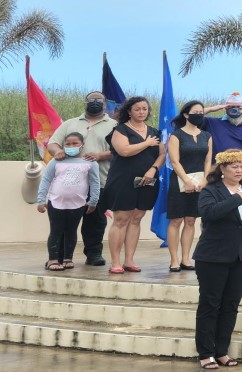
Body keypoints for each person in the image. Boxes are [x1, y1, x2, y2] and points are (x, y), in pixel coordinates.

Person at [193, 149, 242, 370]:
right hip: (213, 256)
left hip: (241, 256)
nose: (239, 170)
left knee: (231, 305)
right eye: (234, 166)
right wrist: (235, 199)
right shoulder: (211, 191)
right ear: (222, 169)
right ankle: (205, 352)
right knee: (210, 304)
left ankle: (222, 350)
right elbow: (209, 213)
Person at [46, 91, 115, 266]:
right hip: (69, 184)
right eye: (91, 100)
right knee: (65, 222)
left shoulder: (114, 125)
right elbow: (52, 143)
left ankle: (93, 254)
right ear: (84, 104)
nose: (95, 103)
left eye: (99, 100)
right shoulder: (70, 124)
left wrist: (100, 155)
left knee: (96, 221)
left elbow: (120, 150)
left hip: (99, 179)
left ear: (105, 104)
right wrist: (58, 152)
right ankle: (60, 256)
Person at [101, 96, 166, 274]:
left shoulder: (154, 132)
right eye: (137, 109)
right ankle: (115, 262)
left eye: (144, 109)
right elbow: (124, 151)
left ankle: (129, 260)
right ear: (129, 111)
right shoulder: (120, 130)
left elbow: (161, 155)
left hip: (147, 180)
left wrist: (153, 169)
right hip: (123, 180)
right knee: (121, 220)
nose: (141, 112)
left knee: (136, 219)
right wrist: (146, 143)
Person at [36, 131, 99, 271]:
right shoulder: (56, 161)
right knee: (56, 231)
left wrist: (93, 201)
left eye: (75, 143)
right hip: (55, 202)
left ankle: (67, 258)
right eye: (68, 144)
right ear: (63, 145)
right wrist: (41, 200)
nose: (71, 146)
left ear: (82, 145)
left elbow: (95, 183)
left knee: (71, 231)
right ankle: (53, 259)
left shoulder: (90, 162)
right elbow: (46, 180)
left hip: (78, 204)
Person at [165, 101, 212, 272]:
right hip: (180, 181)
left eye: (201, 112)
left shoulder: (207, 136)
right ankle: (174, 259)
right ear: (186, 114)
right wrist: (186, 180)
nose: (199, 115)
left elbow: (208, 160)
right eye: (195, 112)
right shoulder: (176, 136)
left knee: (191, 220)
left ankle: (186, 258)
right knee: (176, 220)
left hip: (200, 182)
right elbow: (175, 161)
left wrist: (205, 180)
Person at [204, 92, 242, 186]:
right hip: (217, 171)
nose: (234, 108)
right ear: (225, 107)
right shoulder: (212, 123)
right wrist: (212, 108)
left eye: (237, 105)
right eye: (230, 106)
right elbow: (190, 115)